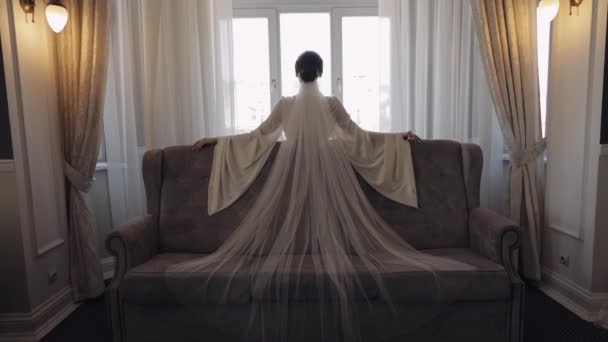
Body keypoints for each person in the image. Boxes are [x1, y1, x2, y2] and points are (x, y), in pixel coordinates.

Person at [179, 51, 440, 342]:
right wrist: (398, 137)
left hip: (289, 182)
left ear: (296, 73)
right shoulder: (330, 105)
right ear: (321, 72)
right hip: (330, 182)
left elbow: (257, 136)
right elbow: (360, 136)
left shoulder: (286, 106)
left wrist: (216, 140)